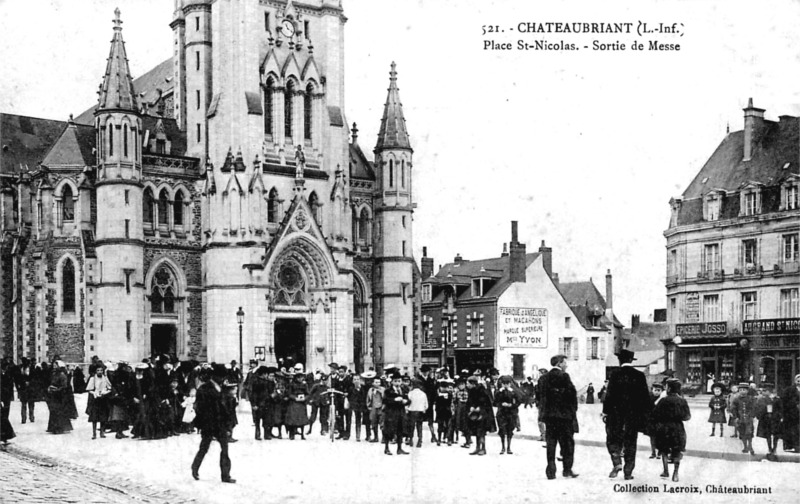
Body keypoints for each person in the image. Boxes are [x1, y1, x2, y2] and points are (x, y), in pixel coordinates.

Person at [602, 349, 652, 480]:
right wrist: (645, 416)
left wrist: (605, 412)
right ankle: (628, 472)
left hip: (615, 414)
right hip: (632, 416)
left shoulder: (614, 374)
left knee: (612, 439)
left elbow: (609, 396)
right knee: (630, 443)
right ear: (631, 360)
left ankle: (617, 461)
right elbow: (645, 398)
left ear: (620, 360)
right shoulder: (639, 375)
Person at [191, 364, 235, 483]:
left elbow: (225, 407)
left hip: (220, 423)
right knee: (204, 447)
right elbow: (199, 408)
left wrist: (228, 424)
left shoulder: (222, 388)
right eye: (221, 376)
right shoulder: (204, 389)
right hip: (209, 423)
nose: (223, 379)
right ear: (215, 376)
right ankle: (195, 467)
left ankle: (225, 475)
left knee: (225, 449)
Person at [538, 354, 579, 479]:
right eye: (565, 362)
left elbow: (540, 397)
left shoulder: (543, 378)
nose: (566, 365)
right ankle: (567, 469)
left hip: (550, 417)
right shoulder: (564, 376)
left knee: (551, 443)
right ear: (560, 363)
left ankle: (550, 470)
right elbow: (571, 396)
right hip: (564, 417)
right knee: (567, 444)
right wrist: (572, 412)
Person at [651, 378, 690, 482]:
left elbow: (654, 414)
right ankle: (676, 473)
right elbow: (687, 417)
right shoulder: (682, 401)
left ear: (669, 388)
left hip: (664, 427)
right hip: (678, 428)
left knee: (664, 449)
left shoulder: (663, 400)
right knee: (677, 449)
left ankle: (665, 471)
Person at [382, 372, 410, 455]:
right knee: (388, 430)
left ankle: (399, 448)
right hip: (391, 413)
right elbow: (385, 401)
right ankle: (386, 448)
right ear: (392, 382)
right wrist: (394, 400)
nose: (397, 383)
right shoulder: (388, 391)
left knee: (400, 430)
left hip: (401, 412)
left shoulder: (404, 390)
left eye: (399, 381)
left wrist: (406, 401)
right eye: (395, 381)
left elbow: (408, 400)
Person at [46, 361, 76, 434]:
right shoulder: (53, 374)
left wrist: (57, 389)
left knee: (59, 411)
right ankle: (53, 427)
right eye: (54, 365)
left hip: (60, 395)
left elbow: (64, 386)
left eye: (56, 365)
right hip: (54, 395)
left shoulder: (62, 375)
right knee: (54, 411)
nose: (54, 366)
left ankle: (59, 428)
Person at [756, 383, 782, 461]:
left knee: (776, 435)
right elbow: (759, 408)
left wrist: (779, 416)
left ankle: (774, 449)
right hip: (766, 419)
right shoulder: (763, 399)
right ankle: (769, 449)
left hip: (775, 420)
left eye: (765, 391)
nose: (763, 392)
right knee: (767, 434)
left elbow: (781, 409)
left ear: (770, 391)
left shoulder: (777, 399)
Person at [85, 365, 112, 439]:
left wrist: (105, 392)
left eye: (101, 370)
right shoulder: (92, 379)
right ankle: (94, 433)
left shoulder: (105, 378)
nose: (100, 372)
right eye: (98, 370)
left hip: (103, 399)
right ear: (95, 371)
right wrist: (94, 393)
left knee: (103, 416)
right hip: (95, 399)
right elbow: (89, 389)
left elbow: (109, 388)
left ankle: (102, 432)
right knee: (94, 417)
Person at [731, 382, 758, 455]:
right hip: (740, 419)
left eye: (744, 390)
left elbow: (754, 408)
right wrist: (735, 417)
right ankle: (745, 446)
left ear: (747, 391)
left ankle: (750, 446)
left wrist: (753, 416)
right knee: (742, 433)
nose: (742, 391)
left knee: (749, 433)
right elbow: (733, 409)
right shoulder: (736, 399)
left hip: (749, 419)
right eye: (741, 390)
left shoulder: (751, 399)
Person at [494, 376, 518, 454]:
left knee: (510, 430)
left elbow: (517, 402)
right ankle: (503, 447)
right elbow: (495, 402)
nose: (505, 385)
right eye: (504, 384)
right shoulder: (499, 392)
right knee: (502, 429)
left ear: (510, 384)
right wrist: (501, 404)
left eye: (507, 383)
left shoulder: (513, 392)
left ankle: (509, 447)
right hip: (502, 413)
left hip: (511, 413)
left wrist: (511, 405)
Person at [284, 365, 309, 440]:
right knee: (292, 419)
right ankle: (292, 434)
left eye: (302, 377)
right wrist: (295, 398)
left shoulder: (305, 385)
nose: (301, 379)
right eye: (299, 377)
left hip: (302, 403)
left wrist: (304, 398)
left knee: (302, 419)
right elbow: (289, 393)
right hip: (293, 403)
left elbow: (308, 393)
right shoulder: (291, 384)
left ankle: (302, 434)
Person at [780, 374, 800, 452]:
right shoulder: (789, 390)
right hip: (792, 413)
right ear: (795, 381)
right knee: (792, 430)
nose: (799, 381)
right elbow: (784, 401)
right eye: (798, 379)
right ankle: (793, 446)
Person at [407, 379, 429, 447]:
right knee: (419, 426)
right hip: (420, 412)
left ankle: (411, 440)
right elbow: (426, 405)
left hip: (412, 411)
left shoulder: (410, 393)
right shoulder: (423, 394)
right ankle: (419, 440)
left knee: (411, 427)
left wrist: (407, 409)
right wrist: (424, 409)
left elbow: (408, 403)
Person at [647, 382, 665, 458]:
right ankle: (653, 452)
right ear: (652, 390)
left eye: (659, 390)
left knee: (660, 437)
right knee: (652, 437)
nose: (657, 392)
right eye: (655, 390)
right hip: (652, 420)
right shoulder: (649, 398)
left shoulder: (663, 399)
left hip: (660, 421)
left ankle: (659, 452)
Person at [1, 359, 16, 446]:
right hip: (2, 398)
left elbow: (10, 386)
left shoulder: (8, 375)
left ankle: (5, 436)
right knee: (3, 418)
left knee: (4, 416)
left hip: (6, 398)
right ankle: (5, 436)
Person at [434, 379, 453, 446]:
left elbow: (450, 402)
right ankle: (439, 439)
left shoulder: (449, 394)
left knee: (448, 426)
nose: (444, 389)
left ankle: (448, 439)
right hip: (440, 412)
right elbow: (436, 403)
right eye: (442, 387)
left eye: (445, 387)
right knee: (440, 426)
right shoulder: (438, 394)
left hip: (447, 412)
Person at [365, 373, 383, 443]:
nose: (377, 384)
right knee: (373, 423)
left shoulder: (383, 389)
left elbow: (385, 397)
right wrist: (369, 406)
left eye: (379, 382)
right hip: (373, 408)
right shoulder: (370, 390)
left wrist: (380, 391)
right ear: (373, 383)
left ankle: (384, 438)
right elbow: (368, 399)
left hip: (381, 407)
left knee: (382, 423)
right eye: (376, 382)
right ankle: (376, 437)